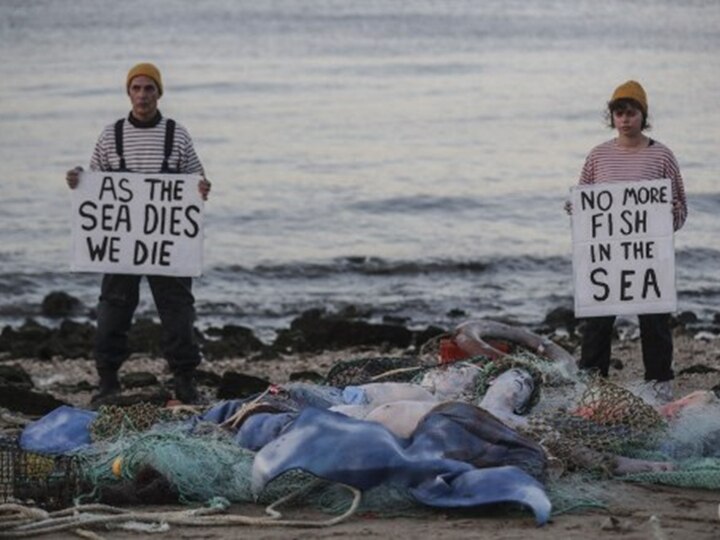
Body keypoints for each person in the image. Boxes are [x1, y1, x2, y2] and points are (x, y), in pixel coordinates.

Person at [65, 62, 212, 405]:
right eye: (137, 88)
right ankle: (108, 381)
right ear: (128, 92)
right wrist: (77, 179)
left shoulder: (177, 134)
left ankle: (185, 380)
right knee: (112, 311)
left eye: (149, 88)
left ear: (159, 93)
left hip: (167, 243)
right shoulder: (110, 134)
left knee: (178, 311)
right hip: (121, 245)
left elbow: (196, 180)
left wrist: (203, 187)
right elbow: (95, 184)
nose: (143, 95)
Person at [572, 80, 688, 404]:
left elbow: (680, 206)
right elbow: (587, 202)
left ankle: (659, 384)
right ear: (612, 117)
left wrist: (666, 217)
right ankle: (591, 384)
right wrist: (578, 211)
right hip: (607, 257)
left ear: (643, 115)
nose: (625, 119)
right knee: (597, 320)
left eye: (631, 112)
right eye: (619, 113)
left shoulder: (662, 155)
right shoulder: (598, 156)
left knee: (654, 320)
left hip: (649, 256)